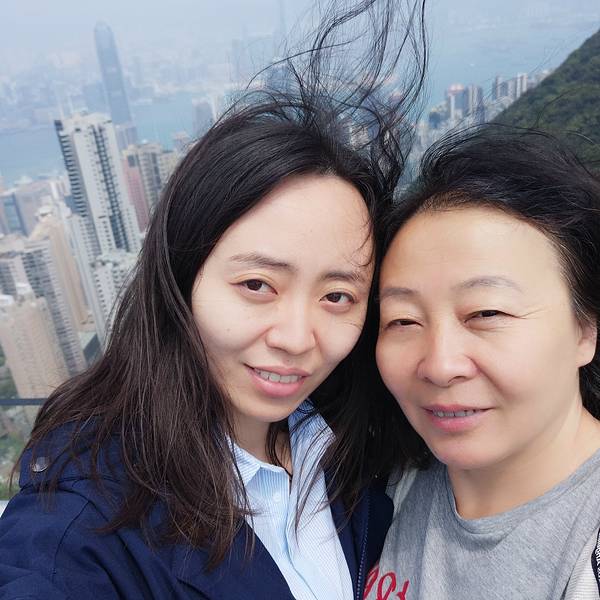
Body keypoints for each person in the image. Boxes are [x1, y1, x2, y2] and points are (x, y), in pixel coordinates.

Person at [0, 2, 426, 599]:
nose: (297, 338)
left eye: (337, 295)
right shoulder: (81, 522)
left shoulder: (351, 440)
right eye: (257, 285)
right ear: (182, 278)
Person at [367, 125, 600, 600]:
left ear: (585, 330)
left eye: (487, 313)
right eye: (403, 320)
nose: (440, 365)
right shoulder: (382, 487)